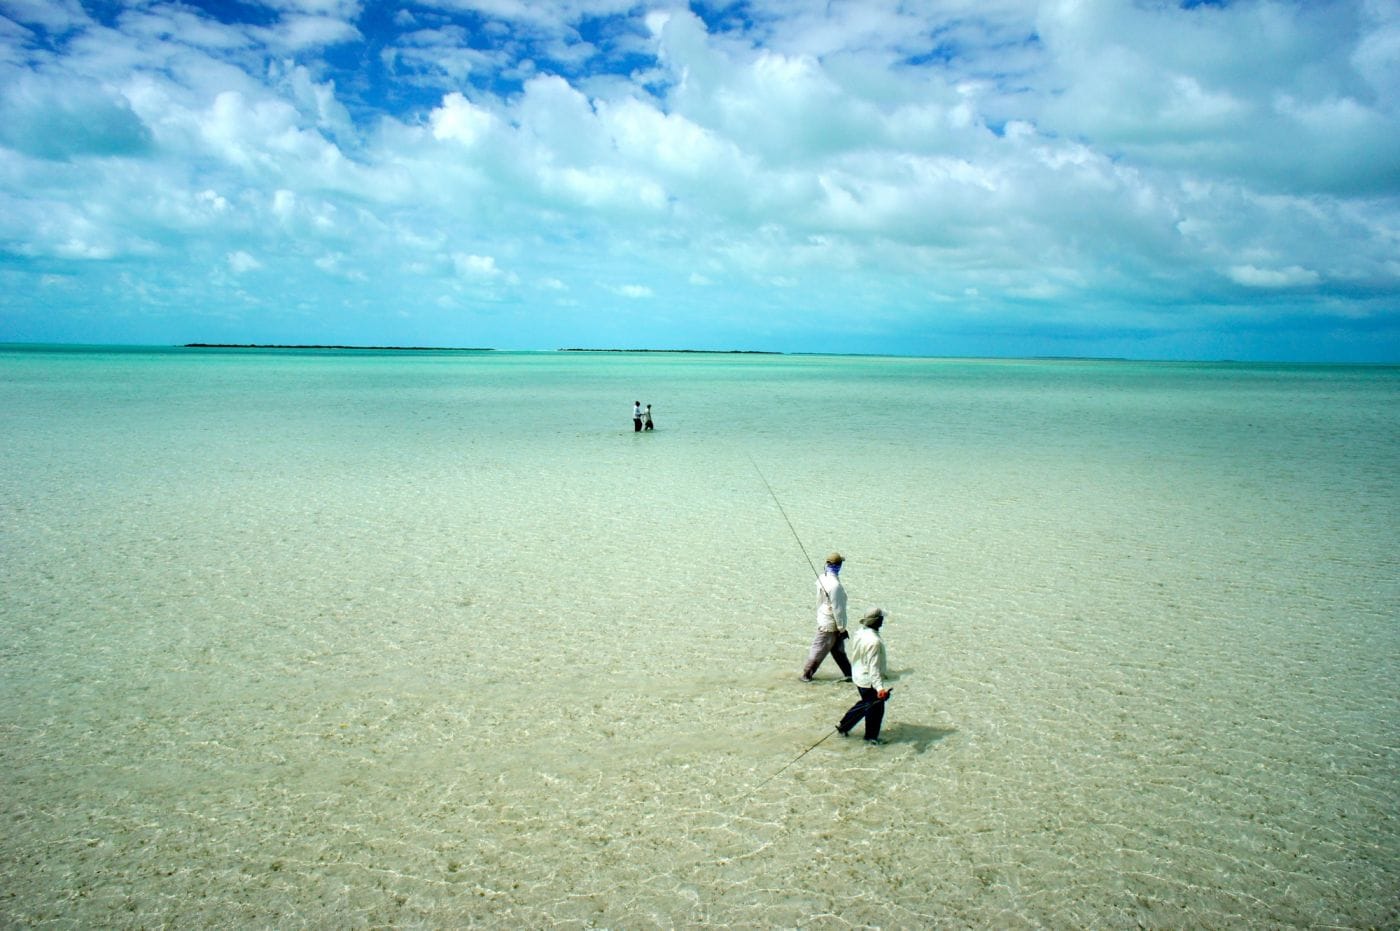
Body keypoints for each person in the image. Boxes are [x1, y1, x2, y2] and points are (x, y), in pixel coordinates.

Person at [837, 607, 891, 744]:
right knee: (876, 710)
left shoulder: (860, 632)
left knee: (866, 704)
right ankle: (871, 739)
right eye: (881, 618)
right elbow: (873, 668)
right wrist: (880, 689)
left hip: (858, 676)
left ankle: (844, 726)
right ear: (877, 621)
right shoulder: (875, 642)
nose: (883, 620)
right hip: (869, 681)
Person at [800, 552, 852, 682]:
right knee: (817, 651)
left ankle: (850, 676)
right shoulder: (836, 586)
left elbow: (821, 601)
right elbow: (838, 610)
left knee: (839, 653)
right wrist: (842, 629)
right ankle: (805, 676)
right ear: (839, 565)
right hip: (830, 626)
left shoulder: (822, 578)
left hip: (824, 618)